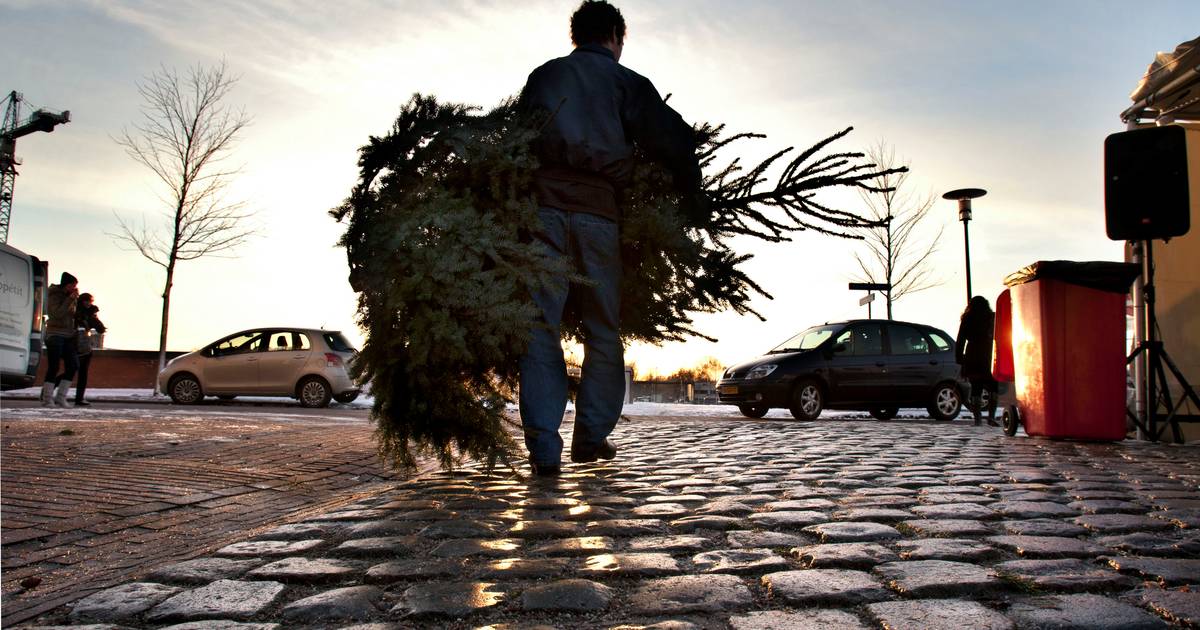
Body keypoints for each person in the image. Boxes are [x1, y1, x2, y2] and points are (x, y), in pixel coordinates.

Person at [516, 0, 704, 476]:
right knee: (602, 329)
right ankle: (592, 437)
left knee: (541, 328)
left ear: (575, 35)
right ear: (616, 36)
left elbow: (516, 142)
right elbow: (673, 140)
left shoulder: (545, 76)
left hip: (544, 212)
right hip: (600, 213)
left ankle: (543, 449)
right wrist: (691, 196)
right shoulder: (627, 83)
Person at [957, 295, 998, 426]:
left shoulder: (967, 319)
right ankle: (991, 417)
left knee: (976, 387)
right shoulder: (992, 317)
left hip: (973, 356)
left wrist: (959, 358)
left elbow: (960, 340)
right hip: (989, 355)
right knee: (993, 386)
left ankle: (977, 418)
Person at [42, 272, 79, 407]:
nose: (74, 288)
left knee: (73, 365)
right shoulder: (54, 295)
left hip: (68, 335)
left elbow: (71, 315)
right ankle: (47, 399)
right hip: (55, 334)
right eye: (72, 285)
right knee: (54, 366)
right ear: (66, 285)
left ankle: (61, 397)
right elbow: (56, 314)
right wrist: (69, 299)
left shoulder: (69, 297)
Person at [73, 292, 107, 407]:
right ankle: (50, 390)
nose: (88, 303)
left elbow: (99, 328)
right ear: (81, 301)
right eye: (86, 301)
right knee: (71, 370)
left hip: (86, 346)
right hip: (74, 344)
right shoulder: (75, 311)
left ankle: (79, 398)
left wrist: (96, 321)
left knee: (83, 373)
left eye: (90, 301)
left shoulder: (91, 313)